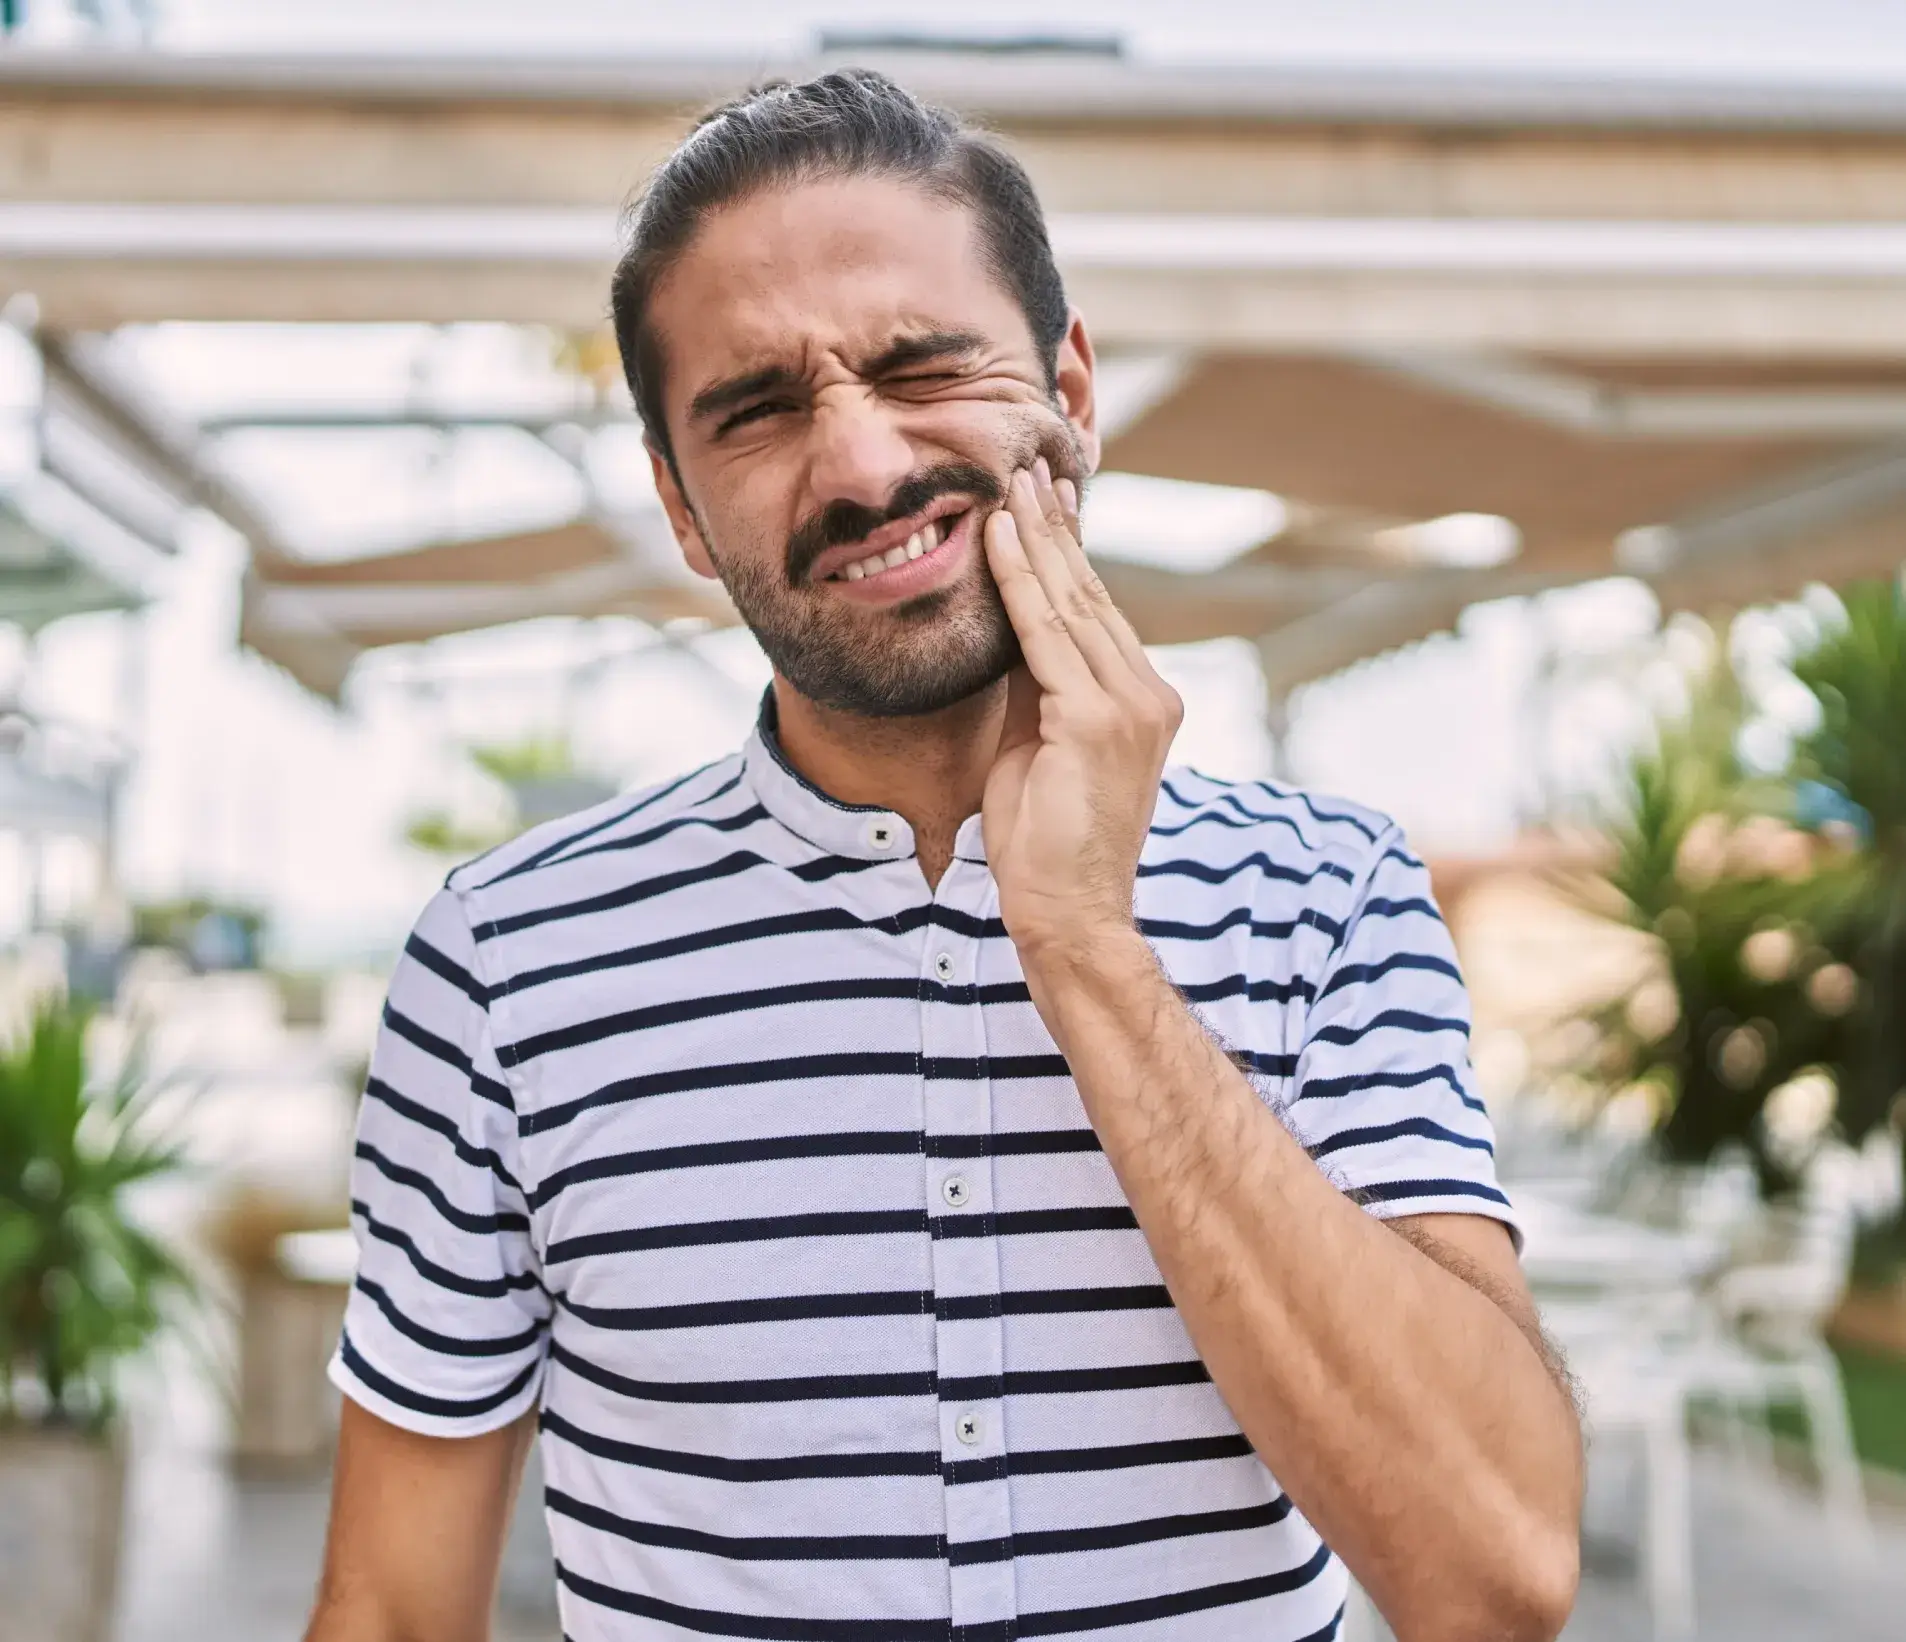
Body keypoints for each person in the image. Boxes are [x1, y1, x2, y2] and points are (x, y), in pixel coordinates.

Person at [305, 69, 1582, 1642]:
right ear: (681, 509)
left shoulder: (1327, 899)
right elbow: (388, 1607)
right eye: (758, 410)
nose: (857, 468)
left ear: (1073, 389)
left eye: (924, 366)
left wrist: (1082, 944)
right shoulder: (507, 960)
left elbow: (1495, 1575)